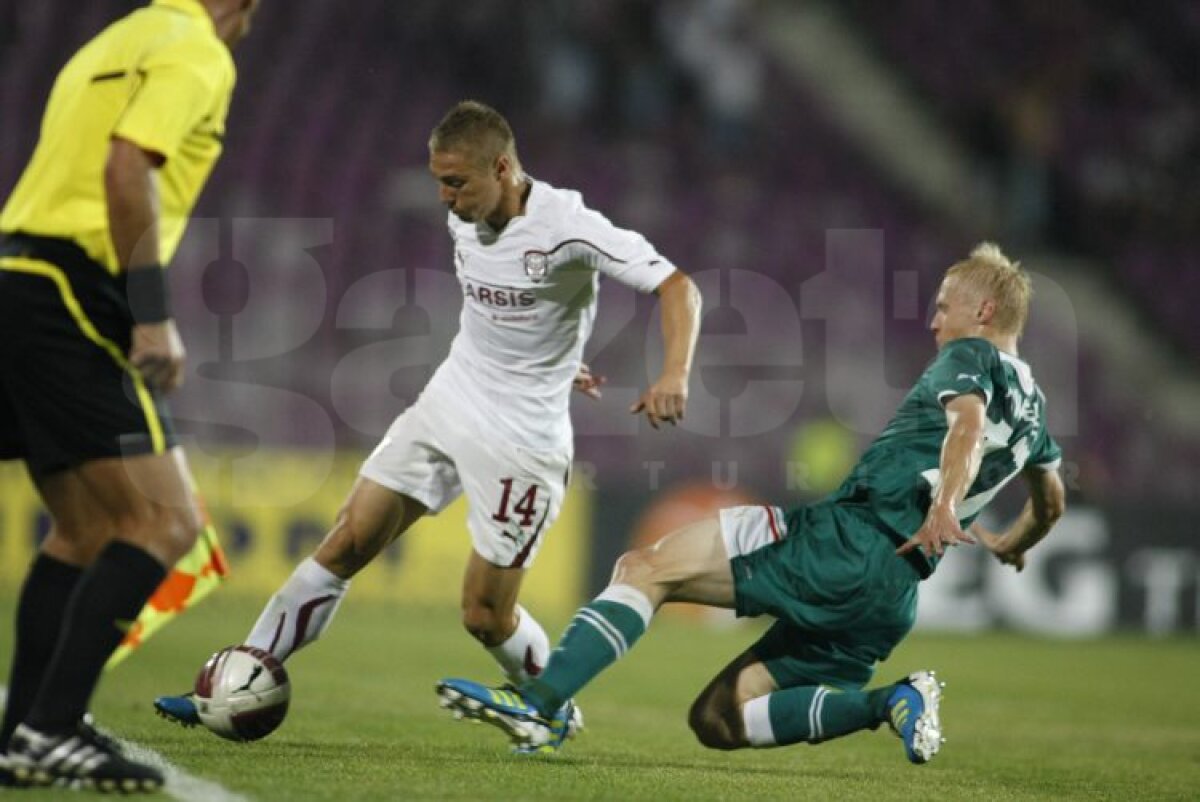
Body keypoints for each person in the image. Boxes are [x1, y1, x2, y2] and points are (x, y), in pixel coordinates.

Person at [153, 100, 703, 743]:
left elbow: (677, 287)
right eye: (438, 181)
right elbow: (515, 314)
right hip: (450, 398)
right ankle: (240, 677)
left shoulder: (569, 226)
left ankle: (551, 706)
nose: (445, 198)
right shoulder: (466, 214)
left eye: (457, 183)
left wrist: (674, 375)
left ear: (502, 167)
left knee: (484, 615)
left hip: (521, 441)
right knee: (348, 540)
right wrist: (561, 359)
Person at [438, 243, 1066, 762]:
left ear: (983, 310)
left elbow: (966, 425)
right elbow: (1052, 500)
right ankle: (891, 701)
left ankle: (538, 704)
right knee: (720, 718)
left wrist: (946, 504)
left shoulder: (970, 356)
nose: (934, 322)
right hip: (894, 593)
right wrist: (1017, 542)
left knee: (644, 569)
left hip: (843, 542)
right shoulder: (1036, 410)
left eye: (943, 307)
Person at [0, 0, 261, 791]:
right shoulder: (198, 51)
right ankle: (47, 729)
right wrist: (152, 315)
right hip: (72, 287)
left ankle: (25, 731)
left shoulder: (115, 39)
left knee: (83, 529)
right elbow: (127, 163)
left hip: (17, 275)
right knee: (166, 519)